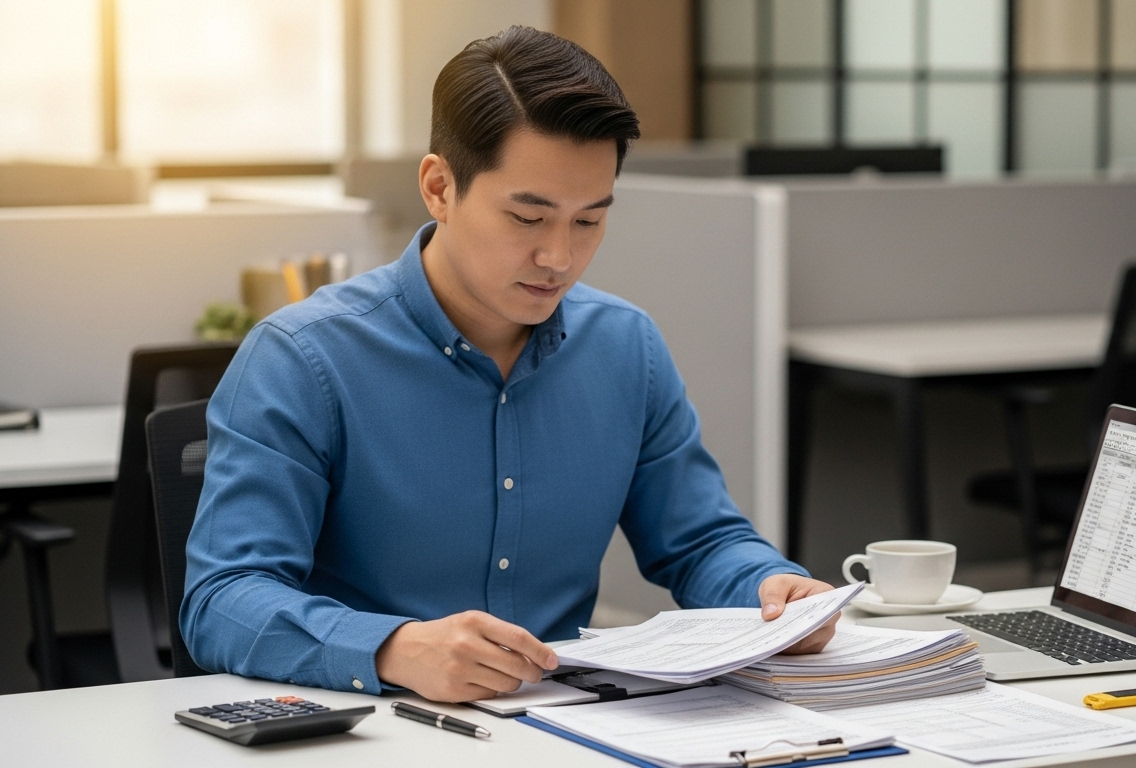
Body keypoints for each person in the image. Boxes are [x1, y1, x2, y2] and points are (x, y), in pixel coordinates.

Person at [182, 26, 835, 704]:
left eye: (588, 222)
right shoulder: (302, 358)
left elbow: (699, 542)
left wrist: (769, 586)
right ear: (439, 187)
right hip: (374, 727)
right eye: (529, 218)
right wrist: (392, 646)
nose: (559, 257)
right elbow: (221, 601)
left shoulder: (625, 348)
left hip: (568, 726)